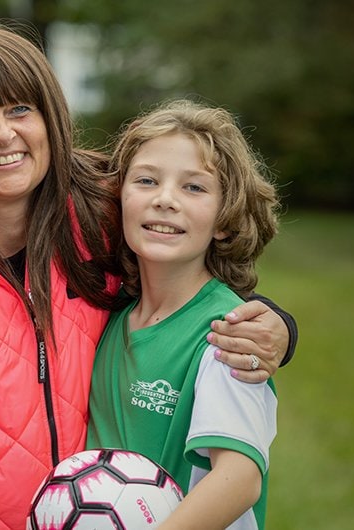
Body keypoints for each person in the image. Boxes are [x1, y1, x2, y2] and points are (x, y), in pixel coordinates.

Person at [0, 27, 297, 530]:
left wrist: (279, 328)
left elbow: (186, 281)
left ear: (50, 120)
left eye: (18, 110)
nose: (1, 134)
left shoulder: (99, 225)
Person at [85, 99, 279, 529]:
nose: (165, 200)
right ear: (120, 198)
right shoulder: (111, 318)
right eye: (147, 180)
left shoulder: (229, 334)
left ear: (224, 219)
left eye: (194, 187)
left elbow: (239, 479)